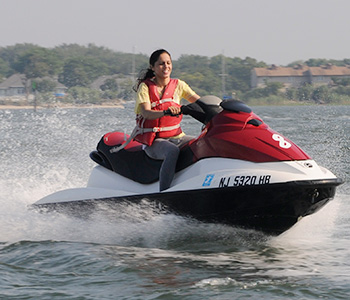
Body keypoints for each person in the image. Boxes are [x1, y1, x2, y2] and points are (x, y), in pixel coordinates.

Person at [134, 49, 200, 191]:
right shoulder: (145, 87)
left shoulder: (179, 85)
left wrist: (218, 110)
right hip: (154, 142)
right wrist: (165, 112)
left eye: (168, 63)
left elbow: (199, 103)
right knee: (172, 151)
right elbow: (145, 113)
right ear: (153, 67)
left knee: (201, 143)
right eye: (161, 64)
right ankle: (164, 193)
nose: (166, 67)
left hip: (178, 137)